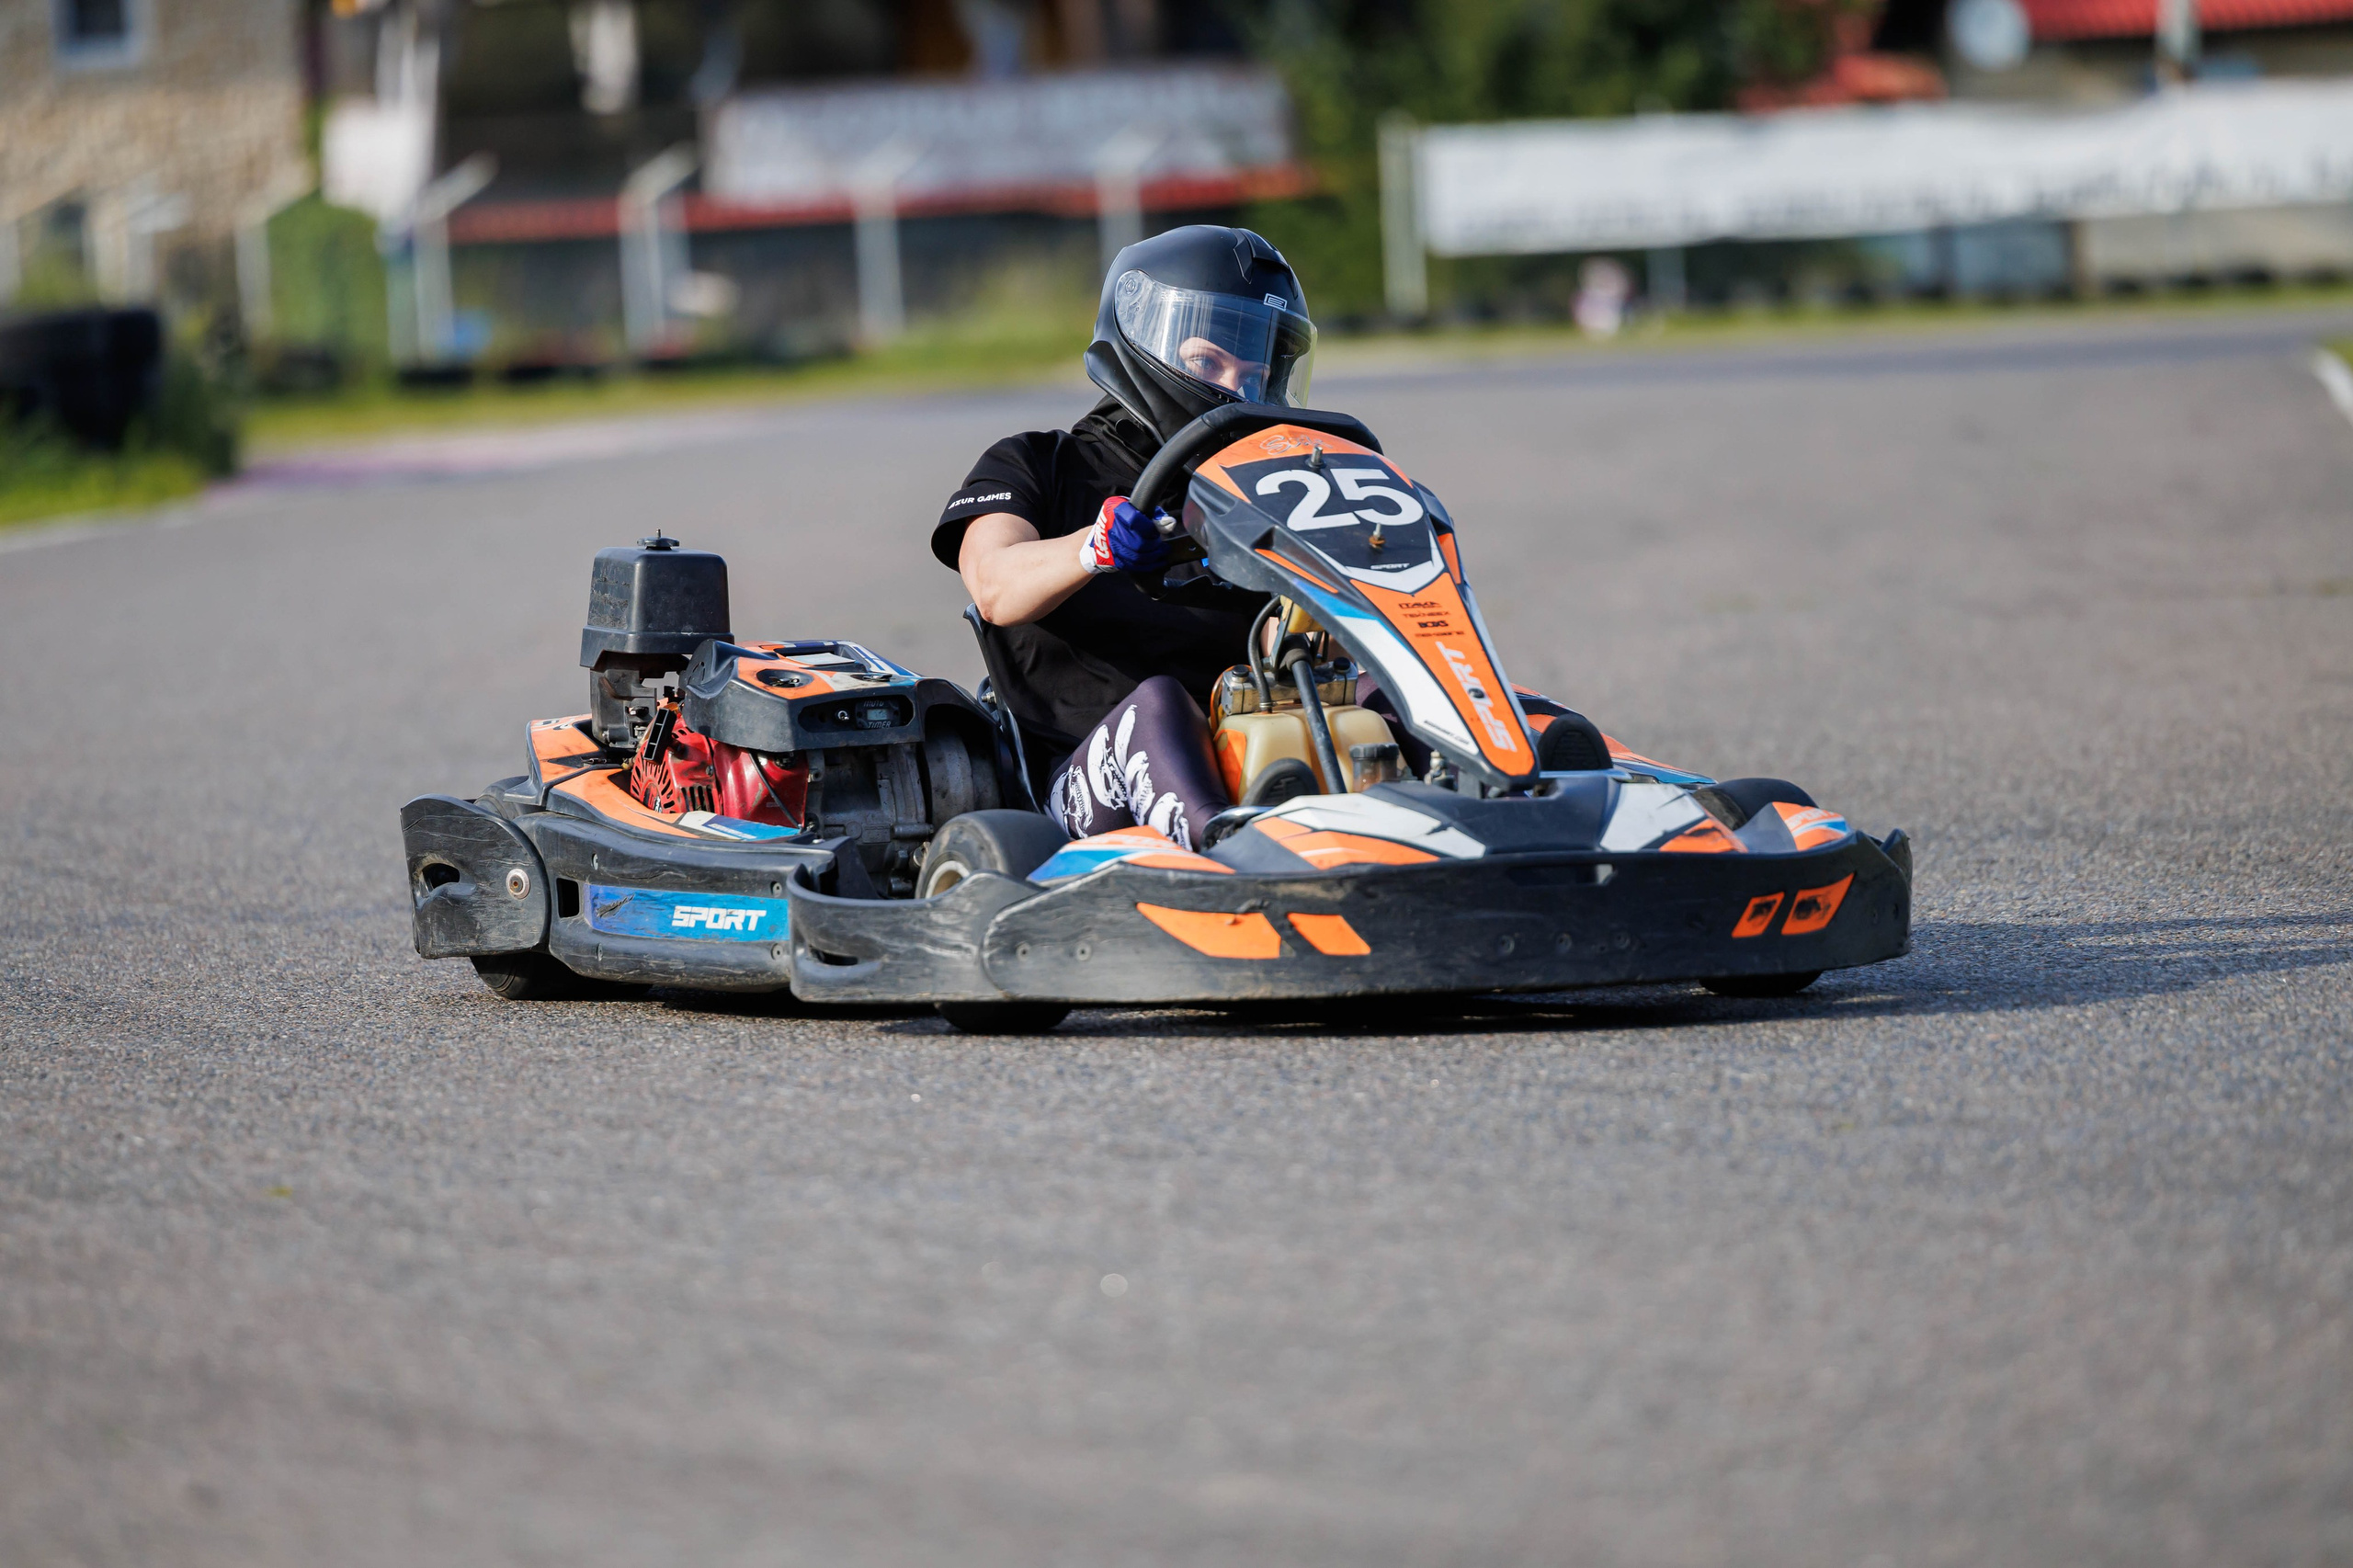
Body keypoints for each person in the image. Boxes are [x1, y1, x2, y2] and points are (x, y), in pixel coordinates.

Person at [931, 224, 1314, 851]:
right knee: (1157, 704)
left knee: (1371, 685)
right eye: (1206, 361)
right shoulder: (1039, 463)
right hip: (1078, 793)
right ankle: (1229, 852)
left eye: (1251, 375)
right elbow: (994, 583)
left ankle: (1512, 800)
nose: (1233, 389)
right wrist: (1092, 548)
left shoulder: (1260, 485)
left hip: (1251, 750)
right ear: (1143, 338)